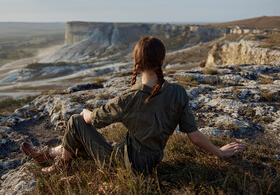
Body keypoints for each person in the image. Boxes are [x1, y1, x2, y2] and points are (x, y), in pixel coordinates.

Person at [21, 36, 246, 175]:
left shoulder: (130, 97)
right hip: (151, 161)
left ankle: (61, 165)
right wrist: (220, 153)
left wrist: (85, 112)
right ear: (162, 61)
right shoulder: (178, 92)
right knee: (98, 142)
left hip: (127, 166)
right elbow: (195, 137)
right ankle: (49, 153)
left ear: (136, 65)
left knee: (75, 122)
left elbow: (91, 120)